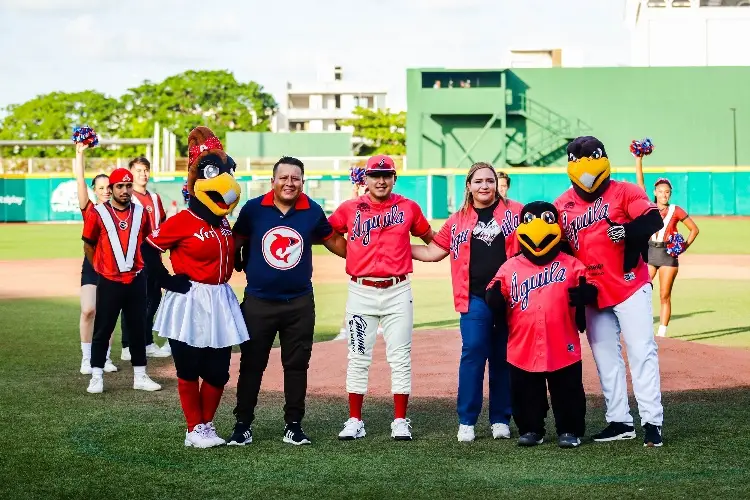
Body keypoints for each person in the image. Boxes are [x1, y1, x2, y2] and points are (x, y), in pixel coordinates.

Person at [228, 156, 347, 446]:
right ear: (273, 181)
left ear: (302, 182)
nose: (289, 183)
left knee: (296, 365)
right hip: (258, 302)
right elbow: (233, 242)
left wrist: (374, 253)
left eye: (295, 178)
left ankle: (293, 425)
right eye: (284, 177)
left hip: (299, 303)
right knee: (252, 365)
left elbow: (334, 242)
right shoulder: (254, 209)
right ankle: (243, 424)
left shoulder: (312, 210)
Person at [554, 135, 665, 447]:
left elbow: (653, 218)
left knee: (642, 351)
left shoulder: (626, 190)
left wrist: (627, 231)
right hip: (593, 292)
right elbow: (560, 250)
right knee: (605, 357)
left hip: (630, 284)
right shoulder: (562, 204)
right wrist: (575, 289)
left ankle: (652, 421)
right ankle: (619, 421)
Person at [144, 126, 249, 448]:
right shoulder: (182, 220)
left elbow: (232, 252)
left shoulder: (223, 223)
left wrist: (240, 260)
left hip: (220, 298)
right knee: (189, 367)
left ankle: (206, 426)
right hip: (189, 299)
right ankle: (194, 427)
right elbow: (149, 249)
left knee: (218, 371)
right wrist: (167, 280)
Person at [330, 154, 435, 442]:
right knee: (358, 357)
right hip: (361, 291)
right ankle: (355, 420)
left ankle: (400, 420)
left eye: (386, 175)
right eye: (375, 175)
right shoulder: (349, 209)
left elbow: (431, 241)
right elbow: (327, 234)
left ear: (394, 178)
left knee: (400, 357)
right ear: (365, 179)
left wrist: (456, 242)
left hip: (398, 290)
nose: (381, 180)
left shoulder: (408, 207)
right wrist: (352, 254)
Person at [410, 162, 512, 442]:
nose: (484, 186)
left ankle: (501, 419)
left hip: (511, 298)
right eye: (478, 181)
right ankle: (467, 420)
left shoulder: (514, 212)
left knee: (504, 358)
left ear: (496, 184)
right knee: (473, 354)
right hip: (474, 298)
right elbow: (433, 251)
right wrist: (397, 247)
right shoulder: (457, 220)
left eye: (489, 181)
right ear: (468, 185)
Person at [485, 201, 598, 448]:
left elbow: (590, 285)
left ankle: (570, 430)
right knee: (525, 391)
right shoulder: (511, 266)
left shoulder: (570, 263)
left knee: (567, 389)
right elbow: (495, 288)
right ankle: (531, 429)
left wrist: (588, 294)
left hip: (562, 341)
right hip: (522, 343)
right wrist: (493, 296)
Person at [81, 167, 162, 394]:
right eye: (120, 186)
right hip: (108, 280)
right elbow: (88, 243)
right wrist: (98, 266)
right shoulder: (97, 213)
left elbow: (146, 239)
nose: (125, 190)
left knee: (137, 328)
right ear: (112, 188)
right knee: (103, 329)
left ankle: (140, 376)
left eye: (128, 186)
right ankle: (96, 375)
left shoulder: (140, 212)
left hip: (136, 278)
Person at [634, 154, 700, 337]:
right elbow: (640, 184)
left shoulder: (675, 210)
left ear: (670, 194)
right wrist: (638, 160)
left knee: (664, 295)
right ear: (655, 192)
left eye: (667, 192)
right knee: (641, 291)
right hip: (649, 252)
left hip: (668, 255)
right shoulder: (648, 206)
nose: (664, 194)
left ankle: (662, 334)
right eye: (661, 191)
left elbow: (694, 230)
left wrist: (682, 247)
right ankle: (643, 327)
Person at [120, 156, 171, 361]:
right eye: (139, 170)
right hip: (135, 257)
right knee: (132, 300)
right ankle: (127, 345)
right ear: (131, 173)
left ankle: (146, 341)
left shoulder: (154, 198)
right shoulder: (128, 198)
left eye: (146, 170)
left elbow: (163, 223)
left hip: (154, 255)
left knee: (154, 298)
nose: (143, 174)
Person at [74, 141, 117, 375]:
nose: (105, 190)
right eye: (100, 187)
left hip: (113, 269)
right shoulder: (90, 209)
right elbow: (80, 182)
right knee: (89, 310)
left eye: (108, 187)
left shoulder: (121, 209)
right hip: (92, 266)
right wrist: (79, 154)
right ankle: (86, 357)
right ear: (95, 190)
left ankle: (105, 357)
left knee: (106, 314)